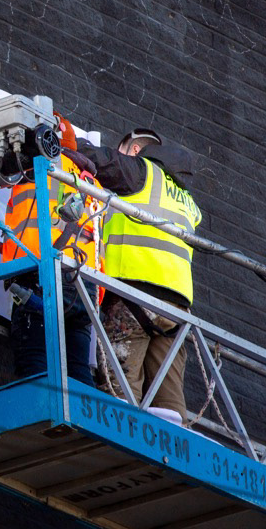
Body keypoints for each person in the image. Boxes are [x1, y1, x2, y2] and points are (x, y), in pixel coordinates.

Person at [67, 129, 201, 422]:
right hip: (177, 311)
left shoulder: (142, 174)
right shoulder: (188, 202)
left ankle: (115, 449)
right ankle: (171, 456)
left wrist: (57, 135)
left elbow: (97, 160)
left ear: (137, 150)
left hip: (135, 297)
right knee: (169, 407)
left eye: (123, 151)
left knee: (119, 395)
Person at [0, 89, 99, 385]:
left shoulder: (40, 165)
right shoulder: (90, 183)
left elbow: (18, 142)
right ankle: (80, 425)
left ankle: (42, 418)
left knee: (35, 361)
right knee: (78, 372)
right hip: (85, 287)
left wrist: (1, 111)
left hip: (42, 276)